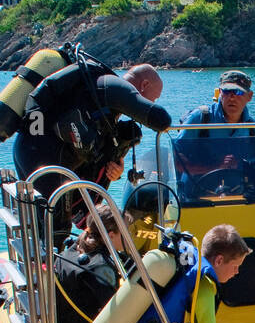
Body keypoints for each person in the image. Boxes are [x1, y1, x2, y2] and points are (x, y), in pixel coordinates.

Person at [12, 61, 170, 240]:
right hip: (41, 155)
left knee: (44, 222)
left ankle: (41, 259)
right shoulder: (113, 88)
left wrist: (116, 170)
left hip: (30, 148)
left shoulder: (101, 102)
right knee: (55, 227)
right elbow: (161, 119)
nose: (152, 101)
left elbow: (90, 150)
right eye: (154, 98)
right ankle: (47, 264)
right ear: (144, 85)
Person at [171, 70, 255, 203]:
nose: (232, 97)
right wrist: (216, 167)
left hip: (237, 197)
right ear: (220, 93)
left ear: (249, 96)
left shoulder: (252, 129)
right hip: (194, 199)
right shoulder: (200, 118)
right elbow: (176, 161)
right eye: (227, 92)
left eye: (238, 92)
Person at [53, 202, 125, 323]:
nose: (129, 235)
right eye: (126, 231)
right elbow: (116, 314)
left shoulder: (73, 249)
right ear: (111, 235)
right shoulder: (100, 267)